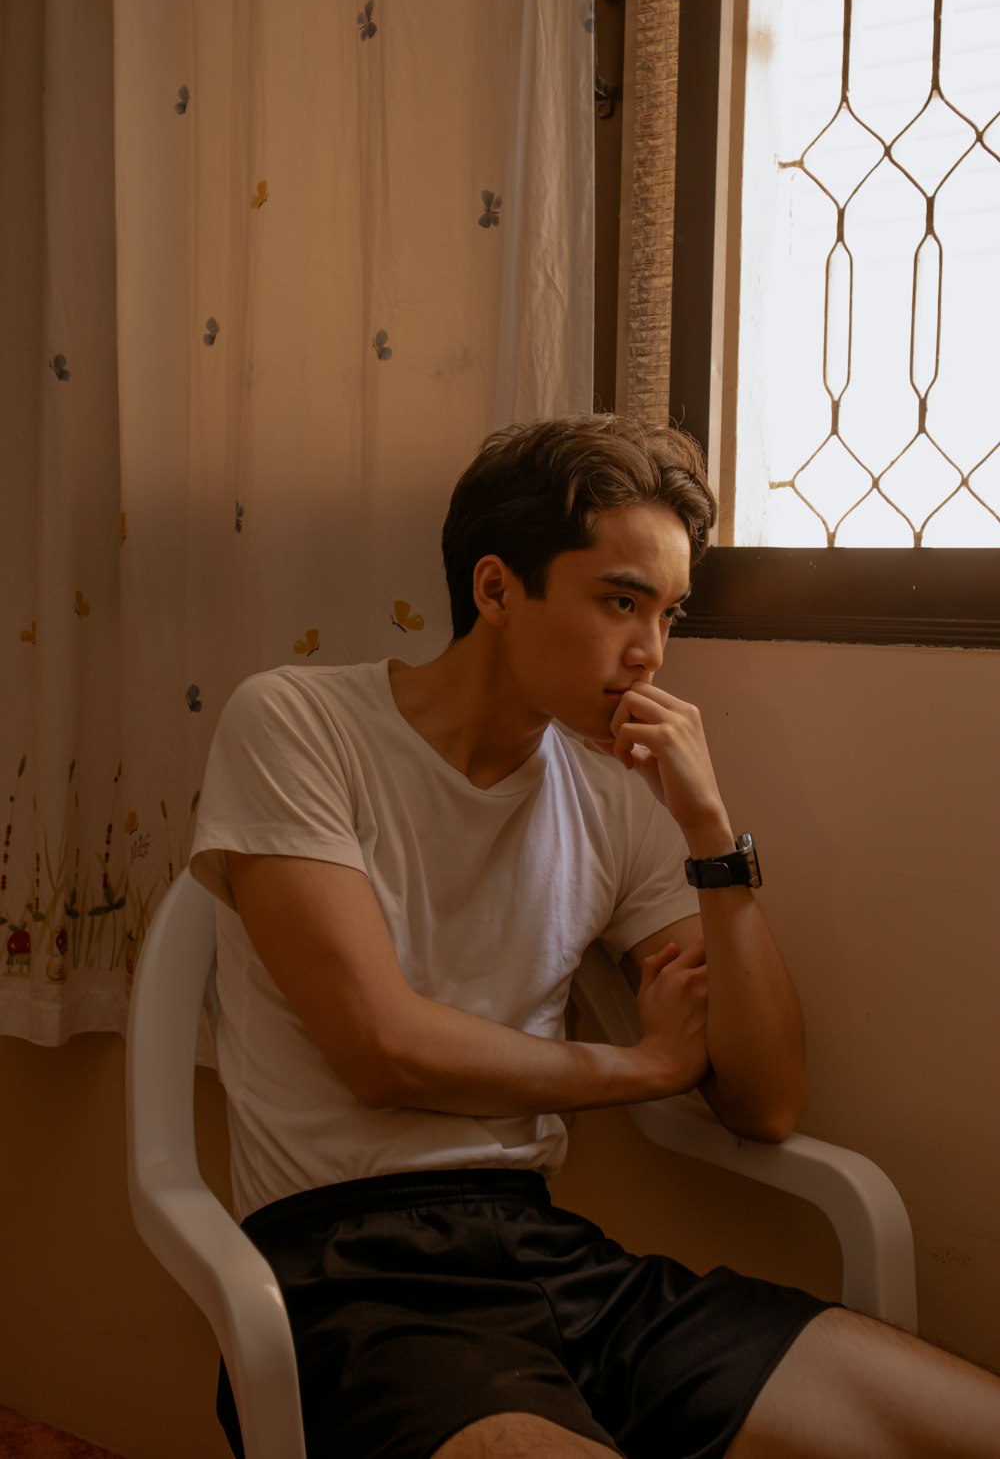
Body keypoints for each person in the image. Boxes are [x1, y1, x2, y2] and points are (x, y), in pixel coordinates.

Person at [190, 414, 1000, 1459]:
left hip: (552, 1257)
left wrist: (709, 831)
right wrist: (641, 1065)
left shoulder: (611, 796)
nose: (649, 654)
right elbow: (380, 1050)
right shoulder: (298, 725)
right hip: (350, 1278)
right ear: (495, 591)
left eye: (667, 614)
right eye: (620, 601)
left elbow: (764, 1098)